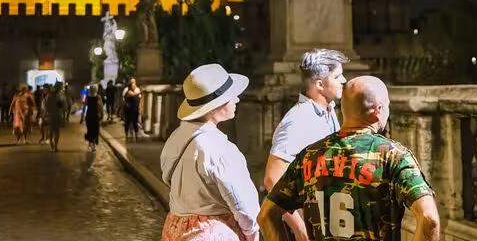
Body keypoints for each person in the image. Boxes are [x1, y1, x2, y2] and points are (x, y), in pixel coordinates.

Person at [259, 76, 440, 241]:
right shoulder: (393, 156)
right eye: (387, 106)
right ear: (378, 110)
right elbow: (429, 219)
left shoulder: (309, 156)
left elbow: (266, 216)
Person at [160, 64, 260, 241]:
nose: (236, 99)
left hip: (175, 230)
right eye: (231, 97)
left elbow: (167, 179)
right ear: (216, 106)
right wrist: (252, 233)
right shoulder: (220, 148)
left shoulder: (175, 138)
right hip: (213, 233)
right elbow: (242, 204)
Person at [263, 49, 349, 241]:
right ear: (320, 84)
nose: (344, 80)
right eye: (337, 76)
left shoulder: (329, 110)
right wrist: (300, 229)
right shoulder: (298, 120)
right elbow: (271, 179)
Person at [45, 83, 66, 152]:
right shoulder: (59, 96)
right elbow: (62, 106)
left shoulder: (48, 96)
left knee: (51, 131)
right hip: (57, 115)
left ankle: (51, 143)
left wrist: (45, 115)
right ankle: (55, 146)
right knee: (56, 131)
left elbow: (46, 107)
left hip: (50, 115)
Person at [84, 85, 103, 151]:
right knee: (95, 130)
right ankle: (93, 144)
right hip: (95, 115)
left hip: (89, 115)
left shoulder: (88, 97)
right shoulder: (98, 97)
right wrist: (101, 115)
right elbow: (101, 106)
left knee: (90, 129)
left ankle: (91, 142)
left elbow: (84, 107)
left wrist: (82, 117)